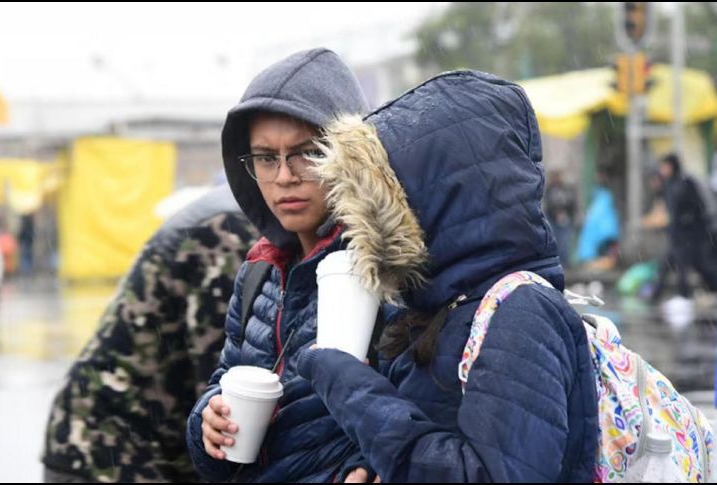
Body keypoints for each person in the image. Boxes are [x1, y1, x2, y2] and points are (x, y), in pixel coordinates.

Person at [296, 70, 599, 482]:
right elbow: (424, 440)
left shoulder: (521, 315)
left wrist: (349, 387)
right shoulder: (437, 306)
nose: (356, 231)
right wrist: (364, 466)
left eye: (373, 205)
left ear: (428, 201)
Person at [186, 48, 378, 483]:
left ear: (348, 154)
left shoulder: (381, 271)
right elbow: (226, 378)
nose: (284, 176)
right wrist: (207, 424)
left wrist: (370, 466)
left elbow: (422, 415)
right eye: (266, 157)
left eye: (306, 153)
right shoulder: (258, 272)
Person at [42, 184, 259, 482]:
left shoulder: (248, 215)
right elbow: (224, 383)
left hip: (133, 446)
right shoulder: (232, 231)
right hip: (110, 450)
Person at [652, 153, 717, 300]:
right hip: (678, 233)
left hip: (689, 234)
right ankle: (658, 294)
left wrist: (684, 222)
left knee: (683, 266)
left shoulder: (684, 183)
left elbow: (695, 208)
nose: (663, 169)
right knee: (671, 264)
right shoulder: (669, 184)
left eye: (665, 166)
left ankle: (681, 296)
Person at [545, 171, 577, 266]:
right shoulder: (549, 190)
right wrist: (556, 214)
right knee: (555, 240)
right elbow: (549, 204)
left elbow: (572, 203)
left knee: (565, 241)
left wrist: (566, 214)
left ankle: (564, 262)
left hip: (566, 219)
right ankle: (555, 261)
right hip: (553, 219)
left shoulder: (566, 190)